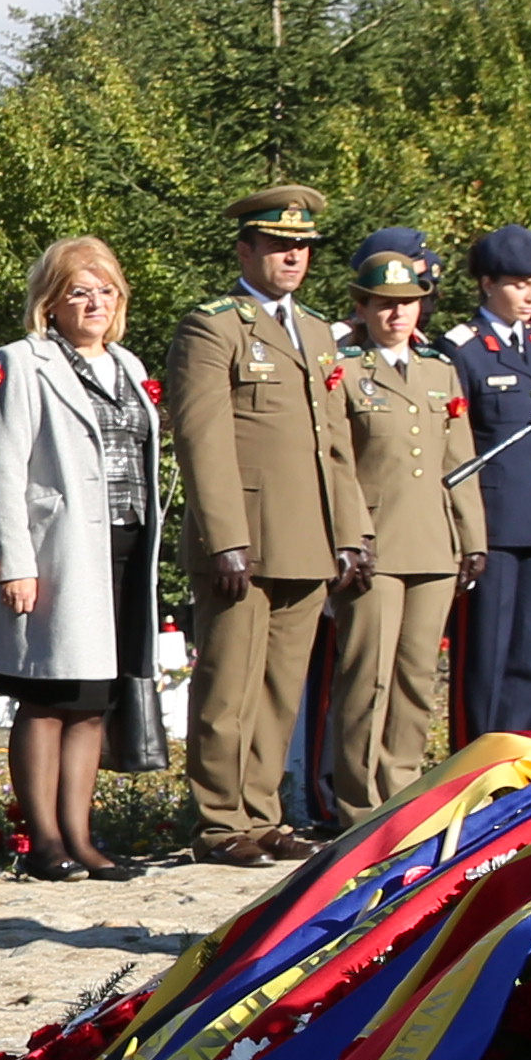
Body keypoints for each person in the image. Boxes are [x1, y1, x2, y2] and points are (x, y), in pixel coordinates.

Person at [166, 186, 366, 868]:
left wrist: (352, 531)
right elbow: (202, 437)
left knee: (282, 688)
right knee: (228, 685)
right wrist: (224, 535)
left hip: (307, 534)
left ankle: (263, 811)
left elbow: (332, 440)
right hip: (243, 535)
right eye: (279, 247)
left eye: (303, 248)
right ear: (245, 250)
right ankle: (222, 823)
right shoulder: (212, 326)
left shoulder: (315, 331)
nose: (293, 259)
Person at [0, 234, 159, 881]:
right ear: (50, 302)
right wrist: (15, 560)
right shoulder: (24, 363)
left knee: (93, 699)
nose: (94, 303)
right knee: (47, 697)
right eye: (79, 292)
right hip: (56, 550)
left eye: (105, 291)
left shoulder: (130, 367)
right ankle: (45, 841)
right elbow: (5, 466)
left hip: (123, 543)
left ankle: (83, 838)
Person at [323, 232, 482, 816]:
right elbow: (337, 460)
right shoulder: (346, 371)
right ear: (361, 309)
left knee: (417, 677)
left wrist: (473, 538)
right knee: (368, 677)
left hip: (433, 543)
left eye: (408, 302)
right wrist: (348, 536)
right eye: (384, 303)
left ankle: (405, 795)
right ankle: (360, 805)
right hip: (374, 543)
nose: (397, 313)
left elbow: (458, 461)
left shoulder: (439, 371)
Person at [444, 229, 531, 738]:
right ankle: (475, 751)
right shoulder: (465, 350)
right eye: (520, 286)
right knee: (486, 652)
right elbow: (459, 447)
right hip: (494, 523)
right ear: (487, 283)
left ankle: (524, 748)